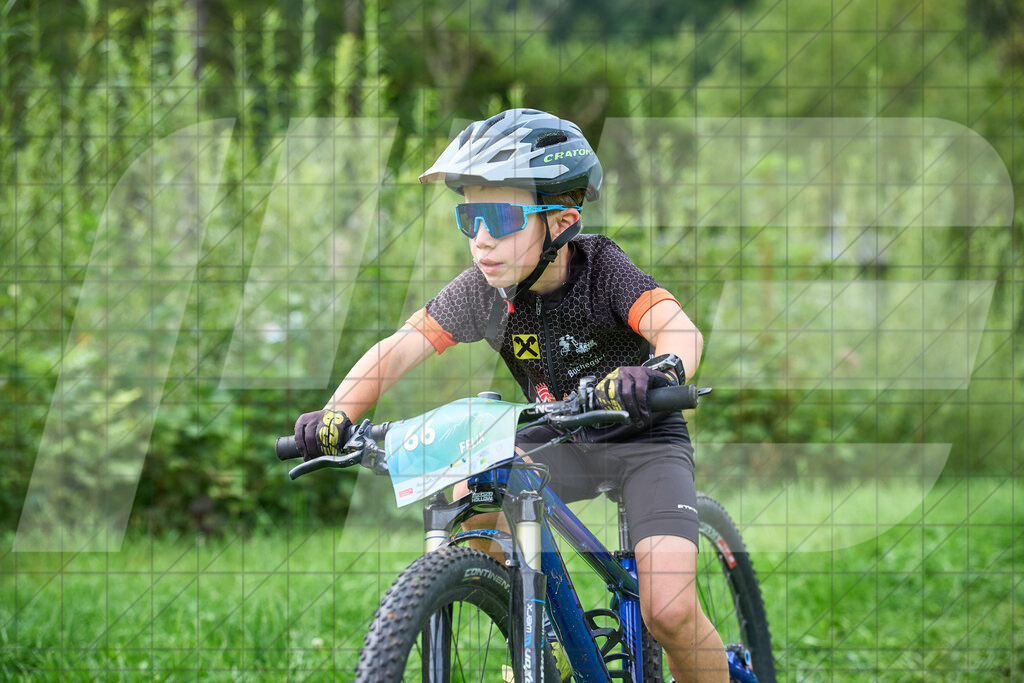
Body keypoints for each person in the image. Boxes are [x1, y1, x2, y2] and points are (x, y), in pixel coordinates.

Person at [292, 108, 727, 681]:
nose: (480, 240)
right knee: (474, 490)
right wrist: (336, 415)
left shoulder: (602, 269)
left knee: (667, 612)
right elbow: (399, 348)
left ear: (561, 220)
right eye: (468, 216)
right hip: (562, 430)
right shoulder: (484, 290)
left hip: (643, 436)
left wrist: (661, 369)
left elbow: (679, 329)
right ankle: (534, 637)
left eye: (499, 216)